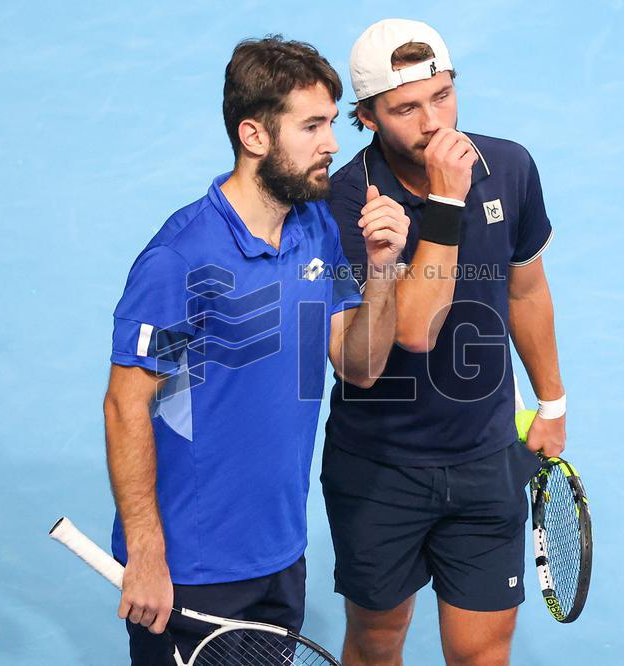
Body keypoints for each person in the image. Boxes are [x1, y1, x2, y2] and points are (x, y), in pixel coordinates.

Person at [103, 36, 408, 665]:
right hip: (192, 565)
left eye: (331, 122)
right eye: (313, 125)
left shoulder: (317, 226)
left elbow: (360, 365)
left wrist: (381, 271)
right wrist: (146, 552)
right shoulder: (179, 259)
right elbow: (124, 405)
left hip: (279, 553)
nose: (332, 142)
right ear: (255, 136)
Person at [321, 19, 567, 665]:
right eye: (406, 107)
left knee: (483, 653)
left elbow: (526, 290)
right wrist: (447, 203)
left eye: (443, 95)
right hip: (379, 468)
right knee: (377, 642)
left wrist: (552, 403)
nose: (432, 121)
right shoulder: (344, 203)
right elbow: (413, 331)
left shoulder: (508, 166)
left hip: (486, 458)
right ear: (368, 117)